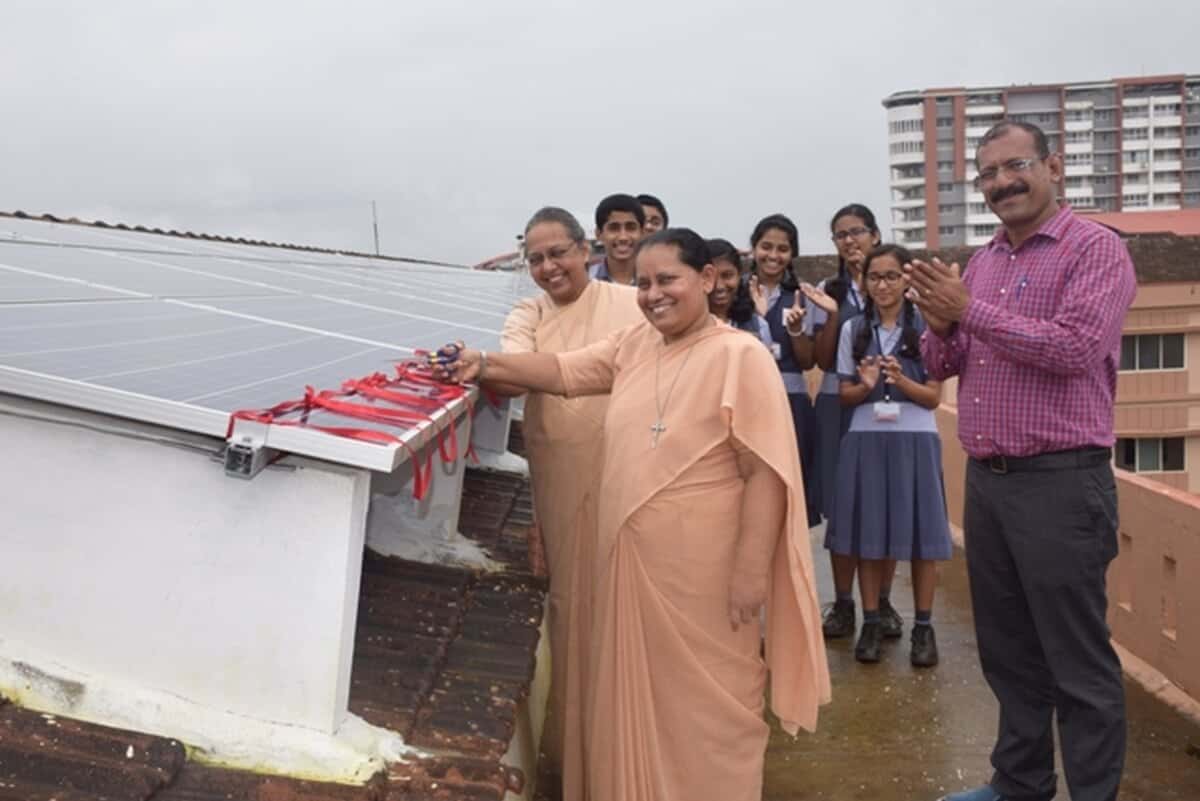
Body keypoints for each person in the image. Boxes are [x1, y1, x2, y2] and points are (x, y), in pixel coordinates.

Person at [435, 228, 830, 801]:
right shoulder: (635, 345)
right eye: (643, 283)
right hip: (632, 568)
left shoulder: (741, 356)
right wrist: (485, 362)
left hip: (707, 578)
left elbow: (764, 473)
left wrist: (750, 572)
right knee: (638, 705)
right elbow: (564, 373)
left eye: (667, 280)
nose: (653, 294)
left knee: (713, 708)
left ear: (709, 280)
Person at [908, 121, 1136, 801]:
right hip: (990, 483)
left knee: (1077, 662)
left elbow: (1072, 348)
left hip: (1062, 483)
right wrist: (942, 326)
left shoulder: (1096, 251)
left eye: (1017, 166)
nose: (1001, 182)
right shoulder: (983, 261)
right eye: (987, 173)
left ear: (1054, 166)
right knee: (1009, 652)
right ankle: (1019, 784)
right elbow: (947, 363)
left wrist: (967, 311)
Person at [499, 207, 644, 798]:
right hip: (559, 490)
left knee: (629, 617)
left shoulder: (631, 304)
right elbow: (509, 374)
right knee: (574, 622)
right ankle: (585, 764)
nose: (548, 267)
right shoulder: (527, 313)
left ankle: (634, 757)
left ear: (585, 250)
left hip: (629, 483)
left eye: (558, 253)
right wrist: (480, 366)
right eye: (535, 258)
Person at [825, 244, 951, 666]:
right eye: (874, 277)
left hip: (916, 438)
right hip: (866, 439)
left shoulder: (930, 327)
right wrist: (866, 384)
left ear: (906, 280)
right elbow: (844, 395)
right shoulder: (853, 329)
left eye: (891, 276)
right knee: (869, 536)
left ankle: (923, 628)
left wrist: (901, 380)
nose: (882, 284)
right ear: (865, 282)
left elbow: (933, 397)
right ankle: (872, 621)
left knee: (923, 540)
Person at [809, 205, 903, 643]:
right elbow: (823, 360)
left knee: (887, 504)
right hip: (838, 405)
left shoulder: (900, 281)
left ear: (875, 233)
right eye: (839, 234)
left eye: (857, 231)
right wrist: (830, 315)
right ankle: (844, 603)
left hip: (892, 410)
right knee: (843, 510)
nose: (849, 240)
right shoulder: (830, 290)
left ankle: (882, 601)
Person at [748, 213, 830, 526]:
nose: (773, 255)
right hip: (748, 401)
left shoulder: (801, 296)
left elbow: (808, 362)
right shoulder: (738, 292)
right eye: (766, 246)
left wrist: (795, 331)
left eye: (782, 248)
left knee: (790, 494)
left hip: (790, 402)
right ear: (754, 248)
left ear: (792, 254)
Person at [705, 237, 770, 346]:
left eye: (727, 276)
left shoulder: (758, 325)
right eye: (711, 277)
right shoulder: (687, 326)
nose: (719, 286)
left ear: (739, 275)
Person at [590, 193, 644, 285]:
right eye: (614, 228)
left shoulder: (655, 280)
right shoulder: (586, 280)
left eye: (631, 228)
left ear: (642, 232)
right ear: (599, 234)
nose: (623, 237)